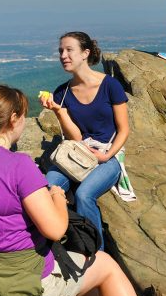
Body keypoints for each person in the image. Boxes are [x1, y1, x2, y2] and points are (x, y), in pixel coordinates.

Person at [0, 85, 136, 296]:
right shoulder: (18, 165)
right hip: (20, 282)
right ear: (14, 119)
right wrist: (57, 196)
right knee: (106, 266)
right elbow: (55, 229)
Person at [40, 32, 132, 250]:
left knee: (84, 194)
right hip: (77, 154)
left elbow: (124, 129)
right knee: (47, 187)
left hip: (107, 155)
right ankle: (54, 244)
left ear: (85, 53)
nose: (63, 55)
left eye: (69, 50)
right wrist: (58, 111)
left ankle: (94, 251)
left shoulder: (110, 85)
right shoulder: (62, 92)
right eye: (61, 50)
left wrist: (107, 156)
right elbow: (77, 138)